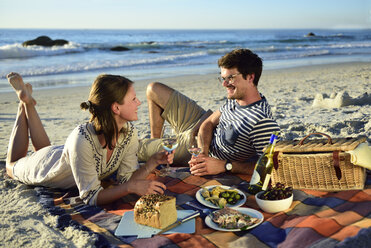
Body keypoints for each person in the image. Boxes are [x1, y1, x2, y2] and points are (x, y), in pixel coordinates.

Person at [5, 72, 171, 206]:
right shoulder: (82, 138)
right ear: (116, 107)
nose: (139, 103)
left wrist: (151, 164)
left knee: (43, 149)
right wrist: (130, 187)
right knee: (11, 166)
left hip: (63, 155)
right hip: (45, 168)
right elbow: (91, 197)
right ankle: (23, 104)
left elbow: (126, 180)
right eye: (134, 99)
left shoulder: (128, 133)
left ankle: (28, 103)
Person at [138, 48, 280, 176]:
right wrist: (203, 152)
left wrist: (226, 166)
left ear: (250, 77)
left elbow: (271, 167)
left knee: (135, 148)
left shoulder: (261, 121)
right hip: (199, 129)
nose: (224, 84)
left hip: (191, 147)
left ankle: (155, 151)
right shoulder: (237, 98)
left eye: (230, 78)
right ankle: (155, 142)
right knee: (154, 89)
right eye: (223, 78)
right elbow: (209, 123)